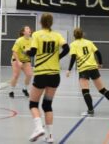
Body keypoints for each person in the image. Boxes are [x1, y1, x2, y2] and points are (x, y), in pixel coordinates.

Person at [26, 13, 69, 143]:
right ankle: (50, 136)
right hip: (54, 75)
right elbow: (67, 48)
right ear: (51, 23)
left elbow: (33, 52)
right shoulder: (57, 35)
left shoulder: (37, 35)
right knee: (47, 105)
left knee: (33, 103)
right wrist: (58, 58)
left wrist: (26, 51)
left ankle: (39, 127)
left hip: (41, 74)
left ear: (41, 22)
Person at [66, 28, 109, 116]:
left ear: (74, 36)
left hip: (83, 69)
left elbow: (73, 57)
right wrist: (100, 63)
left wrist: (69, 69)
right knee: (102, 89)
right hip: (93, 68)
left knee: (85, 91)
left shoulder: (73, 44)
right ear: (82, 34)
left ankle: (90, 110)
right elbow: (98, 53)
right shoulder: (89, 42)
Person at [8, 26, 33, 98]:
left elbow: (33, 51)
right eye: (27, 29)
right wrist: (18, 62)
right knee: (16, 75)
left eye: (29, 29)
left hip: (26, 60)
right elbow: (14, 52)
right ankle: (11, 91)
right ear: (23, 32)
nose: (29, 30)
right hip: (16, 59)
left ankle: (24, 89)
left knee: (29, 75)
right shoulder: (19, 40)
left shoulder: (32, 40)